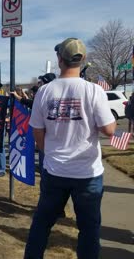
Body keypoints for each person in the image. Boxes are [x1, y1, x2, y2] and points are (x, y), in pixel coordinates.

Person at [24, 38, 116, 259]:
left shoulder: (44, 91)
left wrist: (49, 153)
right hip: (87, 174)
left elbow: (37, 131)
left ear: (59, 59)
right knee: (89, 228)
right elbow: (109, 130)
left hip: (54, 171)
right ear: (83, 59)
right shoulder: (93, 91)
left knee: (42, 224)